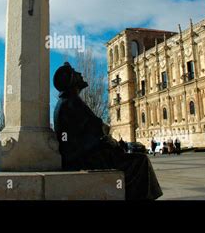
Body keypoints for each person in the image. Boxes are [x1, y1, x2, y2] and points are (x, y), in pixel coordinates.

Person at [53, 62, 163, 200]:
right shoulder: (73, 101)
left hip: (79, 156)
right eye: (75, 72)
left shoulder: (64, 102)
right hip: (85, 159)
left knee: (130, 160)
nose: (80, 74)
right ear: (72, 80)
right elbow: (98, 127)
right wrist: (108, 140)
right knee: (140, 161)